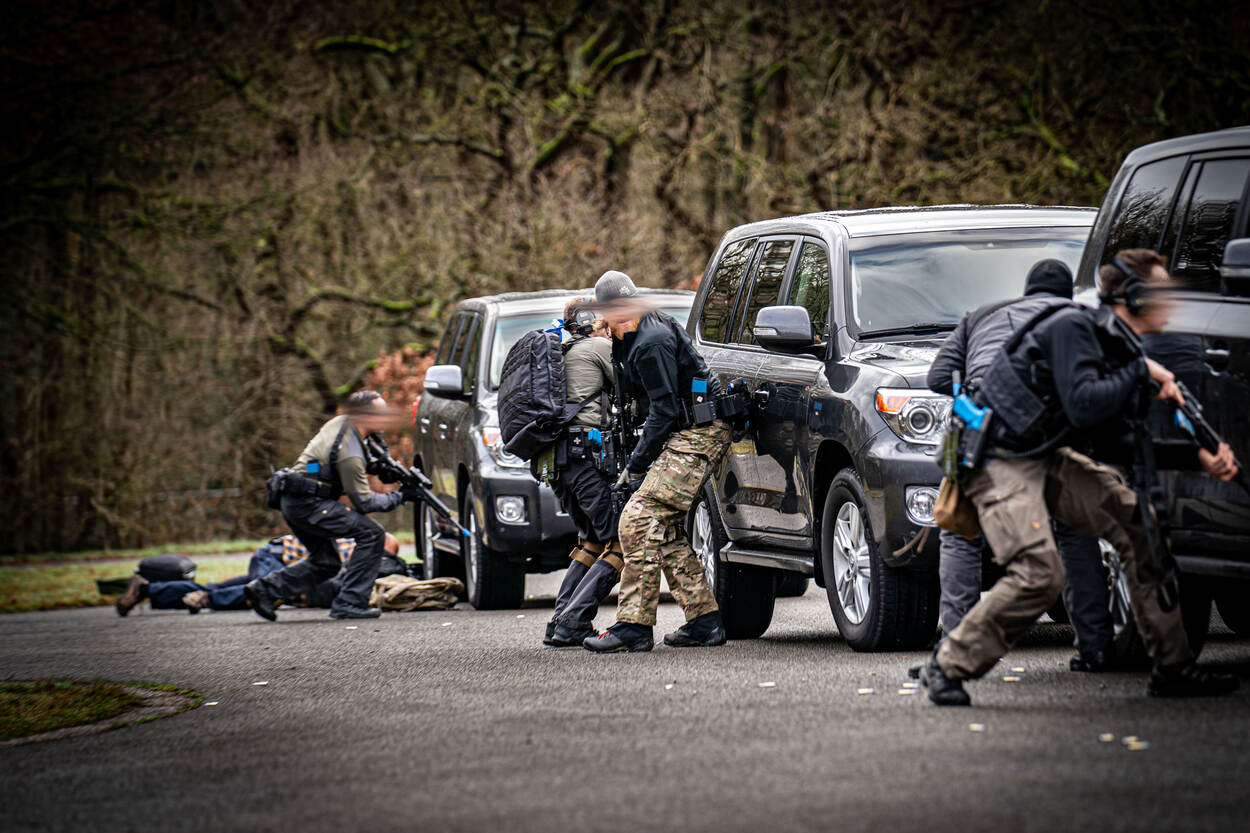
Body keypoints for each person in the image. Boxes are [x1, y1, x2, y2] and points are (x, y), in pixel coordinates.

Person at [919, 249, 1239, 705]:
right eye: (1163, 290)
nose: (1174, 299)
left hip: (1044, 453)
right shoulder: (1075, 326)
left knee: (1137, 523)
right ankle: (946, 665)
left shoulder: (1118, 344)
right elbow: (1085, 403)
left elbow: (1115, 443)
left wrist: (1198, 458)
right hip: (998, 458)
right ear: (1133, 296)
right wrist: (1141, 372)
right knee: (1039, 573)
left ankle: (1173, 666)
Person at [927, 260, 1114, 671]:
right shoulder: (1076, 317)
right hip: (1055, 438)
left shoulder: (981, 315)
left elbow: (937, 377)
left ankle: (952, 646)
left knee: (959, 530)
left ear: (1027, 290)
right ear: (1066, 293)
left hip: (983, 437)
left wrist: (972, 386)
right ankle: (1097, 646)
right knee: (1075, 531)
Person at [581, 271, 729, 653]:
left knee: (638, 518)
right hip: (683, 431)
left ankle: (633, 625)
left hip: (699, 432)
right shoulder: (626, 337)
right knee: (662, 529)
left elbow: (663, 412)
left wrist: (636, 466)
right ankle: (704, 621)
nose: (624, 316)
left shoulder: (652, 341)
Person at [246, 391, 416, 621]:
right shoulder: (351, 453)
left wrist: (379, 467)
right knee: (372, 534)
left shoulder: (343, 424)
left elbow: (335, 460)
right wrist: (400, 497)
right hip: (309, 504)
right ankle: (350, 603)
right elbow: (363, 502)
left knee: (326, 563)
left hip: (296, 500)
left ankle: (265, 590)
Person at [542, 297, 625, 647]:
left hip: (559, 464)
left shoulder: (556, 353)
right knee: (621, 543)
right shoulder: (596, 348)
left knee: (591, 540)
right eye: (605, 323)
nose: (609, 329)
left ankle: (560, 620)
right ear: (591, 322)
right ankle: (575, 620)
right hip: (587, 460)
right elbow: (630, 386)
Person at [115, 534, 398, 614]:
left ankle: (147, 590)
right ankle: (208, 600)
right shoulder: (356, 549)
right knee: (257, 592)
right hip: (275, 559)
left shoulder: (358, 543)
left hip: (273, 559)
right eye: (388, 553)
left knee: (218, 588)